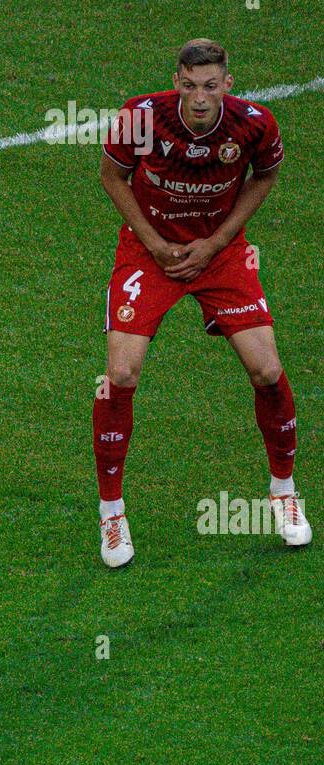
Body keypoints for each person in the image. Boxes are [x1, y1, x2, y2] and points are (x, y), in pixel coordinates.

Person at [95, 38, 308, 568]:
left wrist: (214, 244)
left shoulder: (256, 123)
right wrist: (153, 242)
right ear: (177, 81)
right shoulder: (140, 116)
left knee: (266, 370)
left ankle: (283, 489)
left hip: (221, 254)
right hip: (151, 252)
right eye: (189, 86)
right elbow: (111, 176)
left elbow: (266, 177)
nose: (198, 98)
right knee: (121, 375)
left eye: (210, 86)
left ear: (227, 85)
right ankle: (111, 511)